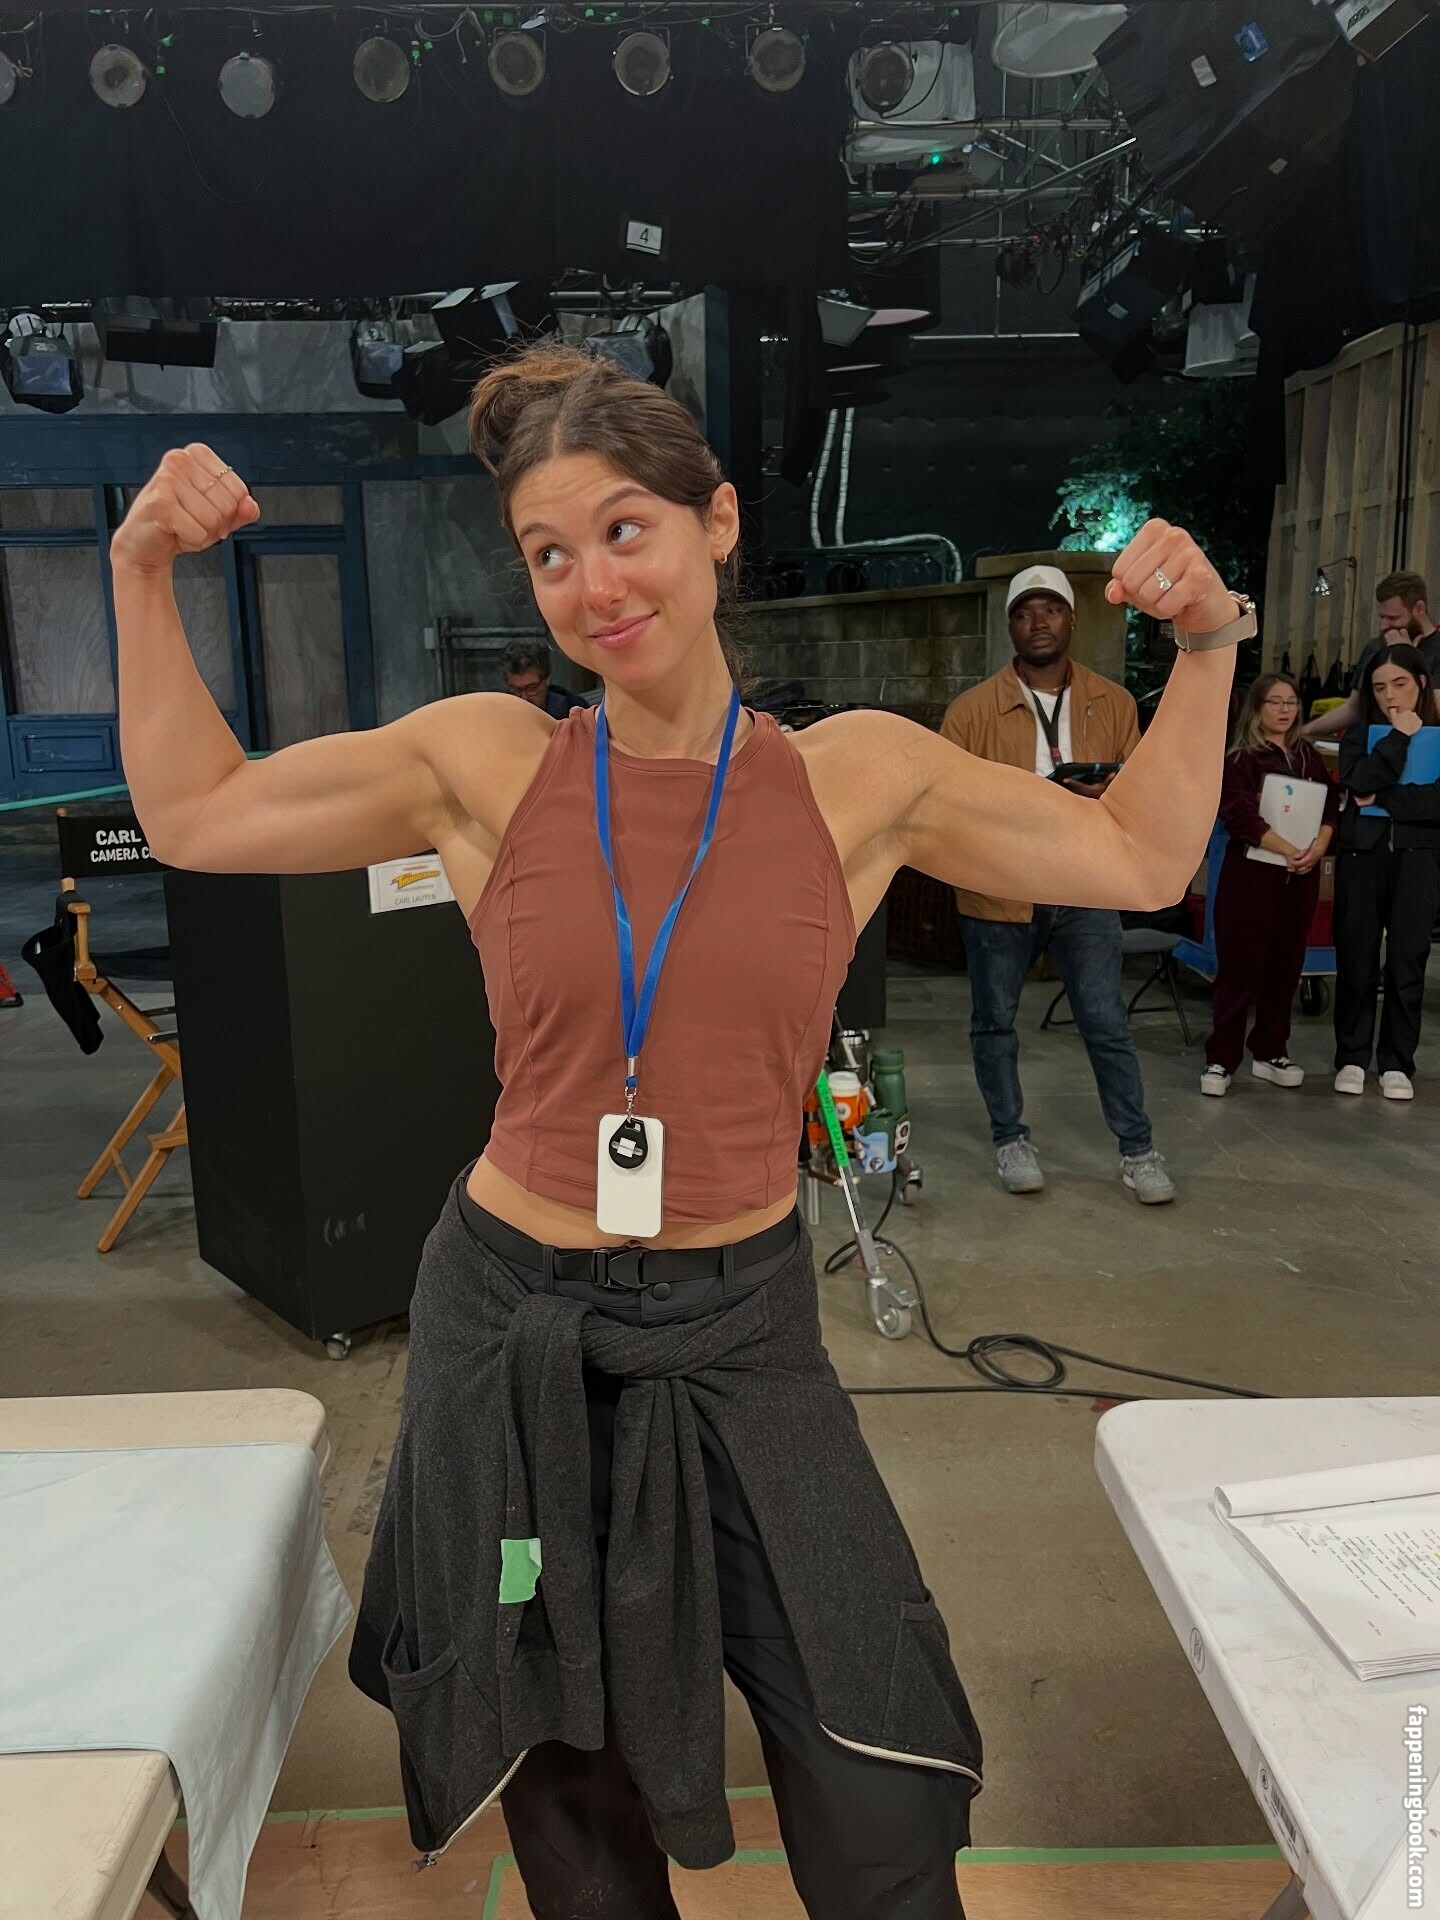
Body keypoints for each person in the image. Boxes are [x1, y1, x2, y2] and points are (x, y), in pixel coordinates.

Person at [110, 354, 1251, 1920]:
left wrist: (1210, 644)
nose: (594, 584)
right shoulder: (486, 761)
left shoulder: (857, 776)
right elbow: (198, 812)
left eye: (625, 530)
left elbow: (1140, 856)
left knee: (875, 1750)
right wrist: (140, 569)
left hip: (742, 1326)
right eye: (549, 553)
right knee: (562, 1761)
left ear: (718, 524)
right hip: (512, 1331)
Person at [939, 564, 1175, 1204]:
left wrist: (1107, 794)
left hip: (1084, 884)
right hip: (1001, 887)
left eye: (1049, 610)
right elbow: (946, 807)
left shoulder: (1114, 702)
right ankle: (1009, 1138)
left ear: (1073, 619)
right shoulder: (971, 712)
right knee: (994, 1022)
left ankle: (1138, 1150)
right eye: (1023, 612)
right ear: (1010, 627)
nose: (1037, 622)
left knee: (1105, 1021)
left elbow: (1142, 791)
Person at [1200, 674, 1338, 1096]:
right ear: (1256, 709)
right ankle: (1222, 1058)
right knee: (1239, 967)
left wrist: (1318, 848)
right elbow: (1239, 815)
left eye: (1291, 702)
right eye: (1274, 702)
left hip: (1300, 877)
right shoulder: (1241, 759)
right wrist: (1288, 848)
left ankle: (1270, 1050)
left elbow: (1331, 807)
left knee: (1285, 965)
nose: (1284, 710)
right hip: (1251, 877)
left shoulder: (1307, 756)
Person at [1333, 642, 1440, 1101]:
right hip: (1362, 857)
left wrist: (1386, 799)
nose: (1390, 695)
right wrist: (1398, 738)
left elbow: (1436, 803)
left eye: (1399, 684)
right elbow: (1357, 782)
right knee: (1356, 956)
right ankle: (1352, 1056)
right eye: (1379, 688)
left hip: (1419, 859)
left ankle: (1397, 1061)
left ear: (1421, 682)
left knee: (1408, 959)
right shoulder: (1359, 734)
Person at [1302, 570, 1439, 742]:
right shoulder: (1375, 647)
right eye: (1382, 617)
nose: (1384, 626)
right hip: (1375, 746)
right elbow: (1354, 707)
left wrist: (1407, 658)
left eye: (1393, 618)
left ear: (1419, 608)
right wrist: (1305, 731)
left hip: (1426, 746)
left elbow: (1435, 707)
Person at [503, 636, 585, 717]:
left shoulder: (574, 711)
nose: (524, 698)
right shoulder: (500, 709)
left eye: (531, 688)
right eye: (516, 690)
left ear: (547, 680)